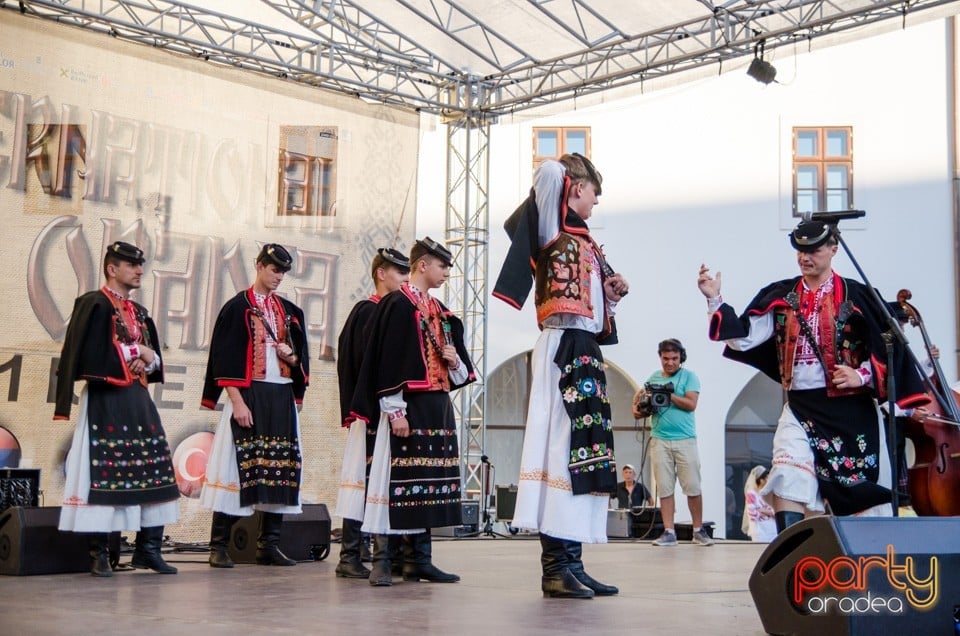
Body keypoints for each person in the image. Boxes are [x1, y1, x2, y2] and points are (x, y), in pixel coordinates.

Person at [697, 220, 928, 533]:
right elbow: (743, 338)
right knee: (786, 472)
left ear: (833, 249)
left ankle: (862, 563)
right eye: (800, 251)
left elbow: (892, 350)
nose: (805, 257)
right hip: (800, 406)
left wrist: (861, 375)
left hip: (851, 411)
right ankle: (790, 552)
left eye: (814, 250)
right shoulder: (781, 295)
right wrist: (715, 299)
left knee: (860, 493)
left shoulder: (858, 295)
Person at [493, 153, 629, 599]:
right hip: (561, 346)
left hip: (583, 347)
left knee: (584, 452)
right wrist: (570, 169)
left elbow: (586, 304)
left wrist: (608, 295)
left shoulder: (583, 241)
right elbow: (548, 174)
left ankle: (572, 561)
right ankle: (555, 567)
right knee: (562, 449)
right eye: (593, 192)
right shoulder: (551, 224)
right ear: (576, 188)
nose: (595, 203)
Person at [350, 237, 475, 586]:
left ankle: (420, 559)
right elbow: (387, 361)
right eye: (442, 266)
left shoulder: (441, 312)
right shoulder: (397, 305)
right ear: (422, 265)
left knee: (429, 485)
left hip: (437, 405)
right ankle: (382, 560)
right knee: (396, 481)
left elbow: (463, 371)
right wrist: (394, 410)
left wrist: (454, 363)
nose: (447, 273)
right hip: (409, 405)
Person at [54, 241, 180, 577]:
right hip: (107, 399)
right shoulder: (93, 304)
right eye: (131, 265)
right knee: (104, 472)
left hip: (138, 400)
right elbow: (87, 352)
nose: (139, 270)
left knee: (154, 469)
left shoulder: (139, 312)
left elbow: (152, 358)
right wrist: (134, 351)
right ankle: (99, 553)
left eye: (140, 265)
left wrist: (149, 356)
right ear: (112, 268)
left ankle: (148, 550)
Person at [200, 243, 310, 567]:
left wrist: (290, 357)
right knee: (237, 466)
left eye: (283, 272)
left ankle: (268, 545)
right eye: (274, 269)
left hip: (280, 395)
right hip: (249, 395)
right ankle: (218, 546)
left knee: (279, 469)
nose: (278, 277)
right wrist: (236, 401)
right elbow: (224, 359)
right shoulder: (238, 308)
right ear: (259, 266)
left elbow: (299, 357)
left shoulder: (290, 312)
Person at [333, 247, 410, 579]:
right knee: (363, 480)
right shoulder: (368, 311)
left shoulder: (388, 313)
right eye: (399, 273)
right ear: (381, 273)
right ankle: (350, 554)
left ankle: (365, 550)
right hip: (372, 413)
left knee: (374, 481)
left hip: (381, 411)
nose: (406, 279)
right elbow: (363, 366)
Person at [632, 338, 713, 547]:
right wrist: (639, 407)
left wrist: (668, 394)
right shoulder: (653, 377)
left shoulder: (689, 377)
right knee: (665, 488)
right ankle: (669, 531)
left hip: (685, 440)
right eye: (666, 358)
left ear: (681, 358)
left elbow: (691, 404)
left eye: (674, 358)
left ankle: (698, 530)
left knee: (693, 486)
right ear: (660, 357)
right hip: (660, 440)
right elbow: (640, 401)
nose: (670, 363)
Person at [742, 466, 776, 542]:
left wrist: (762, 510)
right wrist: (769, 512)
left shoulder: (770, 493)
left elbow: (775, 512)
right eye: (767, 478)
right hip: (759, 531)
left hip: (773, 530)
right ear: (761, 480)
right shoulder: (751, 494)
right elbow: (752, 514)